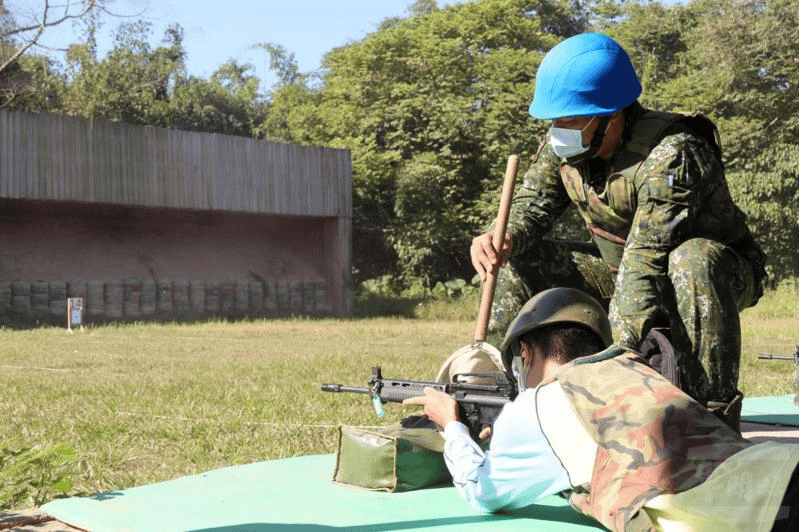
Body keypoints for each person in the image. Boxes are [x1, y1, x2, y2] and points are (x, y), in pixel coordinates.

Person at [470, 32, 766, 430]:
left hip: (707, 273)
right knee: (518, 260)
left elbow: (648, 257)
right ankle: (494, 403)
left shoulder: (672, 152)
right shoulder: (569, 146)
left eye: (569, 121)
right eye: (554, 121)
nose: (558, 130)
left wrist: (610, 366)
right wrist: (503, 235)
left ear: (612, 116)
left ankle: (709, 421)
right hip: (618, 269)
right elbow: (533, 205)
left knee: (691, 259)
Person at [404, 287, 799, 532]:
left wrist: (452, 425)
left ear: (527, 351)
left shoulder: (535, 405)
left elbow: (483, 491)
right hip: (780, 469)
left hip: (763, 517)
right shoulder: (636, 369)